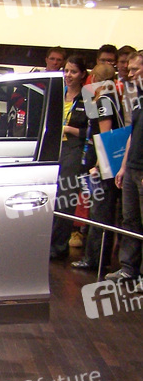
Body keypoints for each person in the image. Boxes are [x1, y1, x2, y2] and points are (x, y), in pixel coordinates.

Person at [73, 63, 123, 272]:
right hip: (110, 164)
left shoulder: (103, 101)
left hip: (104, 165)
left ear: (94, 78)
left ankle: (94, 259)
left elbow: (105, 135)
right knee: (102, 211)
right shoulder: (113, 98)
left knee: (99, 212)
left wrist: (97, 165)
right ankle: (99, 258)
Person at [106, 51, 143, 281]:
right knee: (129, 220)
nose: (130, 74)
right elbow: (132, 134)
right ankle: (128, 268)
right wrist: (122, 166)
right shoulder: (139, 99)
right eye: (129, 70)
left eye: (135, 69)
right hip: (132, 168)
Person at [51, 55, 91, 260]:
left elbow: (93, 131)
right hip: (53, 149)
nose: (68, 75)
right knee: (49, 197)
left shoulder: (89, 97)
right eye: (66, 71)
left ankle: (59, 246)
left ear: (82, 74)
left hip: (74, 150)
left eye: (73, 72)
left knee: (65, 199)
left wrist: (69, 129)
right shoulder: (58, 92)